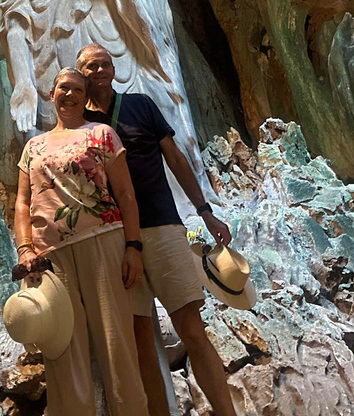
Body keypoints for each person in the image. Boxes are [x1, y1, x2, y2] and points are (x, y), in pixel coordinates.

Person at [0, 0, 218, 217]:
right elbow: (16, 25)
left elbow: (148, 17)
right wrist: (23, 83)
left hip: (124, 64)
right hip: (63, 71)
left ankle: (183, 209)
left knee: (145, 135)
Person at [79, 44, 238, 416]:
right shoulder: (80, 125)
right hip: (115, 240)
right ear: (81, 72)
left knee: (191, 328)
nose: (100, 69)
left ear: (114, 69)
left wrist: (205, 211)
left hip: (163, 226)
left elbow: (176, 158)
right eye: (91, 65)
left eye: (105, 63)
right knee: (140, 340)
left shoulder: (141, 105)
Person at [14, 67, 150, 416]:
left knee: (116, 340)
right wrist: (25, 248)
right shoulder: (33, 146)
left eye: (77, 89)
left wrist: (133, 247)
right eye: (63, 88)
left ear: (85, 97)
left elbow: (125, 193)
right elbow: (23, 201)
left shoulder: (101, 134)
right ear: (51, 94)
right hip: (51, 256)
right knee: (63, 348)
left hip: (103, 241)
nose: (69, 94)